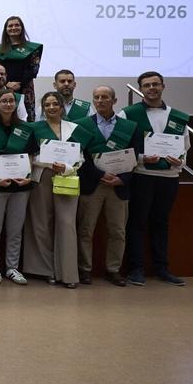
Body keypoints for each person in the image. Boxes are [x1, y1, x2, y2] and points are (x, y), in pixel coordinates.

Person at [121, 71, 191, 286]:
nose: (151, 88)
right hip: (142, 175)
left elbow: (184, 147)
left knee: (161, 222)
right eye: (147, 85)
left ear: (163, 86)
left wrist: (181, 160)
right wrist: (142, 158)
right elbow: (122, 148)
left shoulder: (177, 116)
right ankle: (136, 269)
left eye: (155, 84)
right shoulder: (127, 114)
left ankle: (162, 268)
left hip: (169, 177)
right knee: (137, 222)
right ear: (140, 89)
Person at [23, 91, 92, 289]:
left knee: (66, 224)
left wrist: (67, 168)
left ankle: (68, 273)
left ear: (62, 107)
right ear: (43, 108)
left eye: (55, 104)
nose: (51, 107)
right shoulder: (34, 128)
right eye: (47, 105)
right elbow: (30, 156)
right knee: (41, 223)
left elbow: (81, 157)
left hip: (67, 178)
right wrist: (47, 163)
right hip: (42, 177)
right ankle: (46, 271)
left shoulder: (75, 128)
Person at [73, 86, 141, 287]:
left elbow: (136, 155)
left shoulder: (130, 127)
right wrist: (101, 175)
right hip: (92, 185)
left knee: (118, 231)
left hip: (119, 186)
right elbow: (81, 157)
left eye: (105, 97)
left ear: (114, 100)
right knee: (86, 230)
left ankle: (113, 269)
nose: (100, 100)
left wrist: (123, 179)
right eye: (97, 97)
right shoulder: (82, 125)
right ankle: (84, 269)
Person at [0, 89, 39, 285]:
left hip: (20, 186)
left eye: (11, 101)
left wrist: (28, 176)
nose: (8, 104)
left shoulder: (26, 129)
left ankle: (12, 268)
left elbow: (30, 154)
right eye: (4, 101)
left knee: (15, 230)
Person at [0, 16, 43, 122]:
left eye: (17, 25)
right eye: (10, 26)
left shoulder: (33, 48)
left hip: (25, 88)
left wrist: (19, 83)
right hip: (3, 88)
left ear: (22, 28)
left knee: (26, 119)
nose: (13, 28)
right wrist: (7, 84)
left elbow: (33, 69)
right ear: (6, 29)